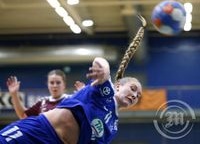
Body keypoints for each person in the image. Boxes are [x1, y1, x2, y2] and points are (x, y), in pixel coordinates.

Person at [0, 57, 142, 144]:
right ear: (118, 86)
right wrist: (104, 69)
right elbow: (99, 60)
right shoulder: (106, 90)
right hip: (37, 132)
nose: (135, 95)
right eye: (133, 88)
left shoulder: (112, 127)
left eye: (138, 95)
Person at [6, 69, 71, 119]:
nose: (55, 85)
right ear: (48, 85)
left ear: (64, 85)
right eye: (51, 83)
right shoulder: (42, 102)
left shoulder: (71, 100)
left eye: (58, 82)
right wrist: (14, 94)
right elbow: (23, 115)